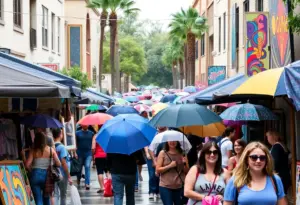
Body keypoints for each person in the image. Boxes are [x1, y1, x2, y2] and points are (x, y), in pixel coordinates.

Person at [23, 132, 61, 205]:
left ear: (36, 140)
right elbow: (59, 164)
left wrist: (32, 171)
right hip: (47, 177)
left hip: (35, 175)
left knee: (38, 199)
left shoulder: (33, 150)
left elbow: (27, 165)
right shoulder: (51, 150)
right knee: (46, 200)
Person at [52, 128, 72, 205]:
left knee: (56, 194)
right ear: (60, 135)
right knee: (63, 195)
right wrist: (69, 176)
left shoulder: (51, 147)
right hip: (62, 174)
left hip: (54, 173)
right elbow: (63, 163)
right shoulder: (62, 147)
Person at [75, 125, 94, 190]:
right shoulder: (77, 133)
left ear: (88, 125)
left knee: (87, 166)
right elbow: (75, 143)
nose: (85, 125)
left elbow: (93, 143)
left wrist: (93, 155)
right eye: (83, 124)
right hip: (79, 153)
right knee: (79, 168)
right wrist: (75, 152)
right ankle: (78, 179)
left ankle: (87, 183)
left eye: (86, 124)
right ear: (81, 125)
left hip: (88, 153)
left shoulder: (91, 133)